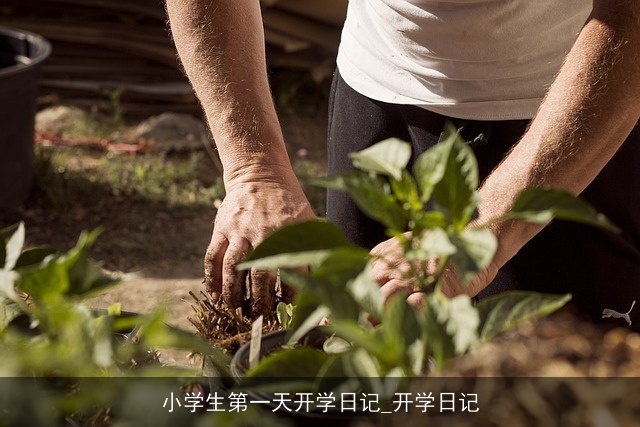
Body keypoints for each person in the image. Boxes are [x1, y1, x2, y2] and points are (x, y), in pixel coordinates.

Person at [165, 0, 640, 330]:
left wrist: (480, 233)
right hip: (375, 93)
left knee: (547, 395)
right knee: (365, 372)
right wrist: (254, 168)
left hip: (568, 115)